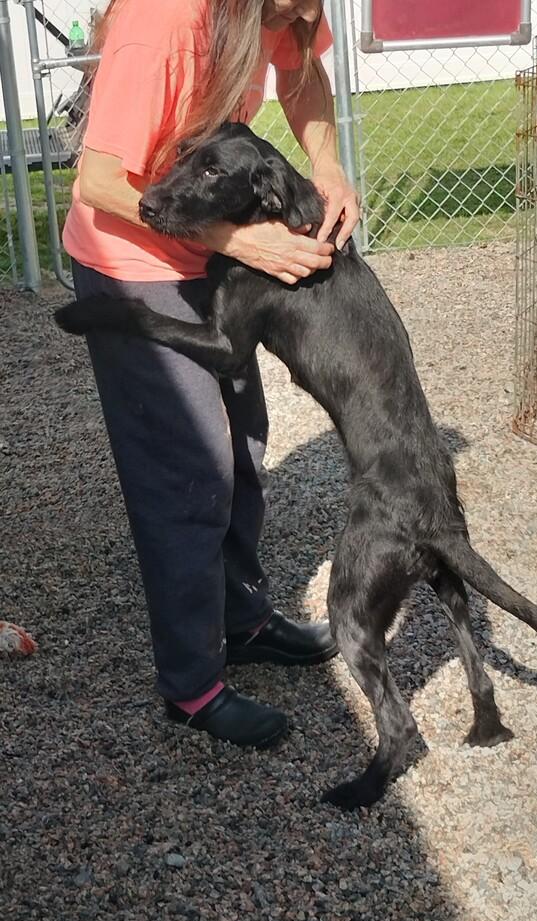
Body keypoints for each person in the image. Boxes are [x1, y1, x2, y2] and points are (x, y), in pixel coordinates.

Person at [62, 0, 361, 749]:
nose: (312, 12)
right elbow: (97, 180)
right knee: (187, 471)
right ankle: (191, 686)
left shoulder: (281, 9)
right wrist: (245, 242)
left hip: (208, 257)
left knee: (242, 449)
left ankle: (243, 620)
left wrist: (328, 168)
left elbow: (304, 76)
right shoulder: (165, 19)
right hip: (132, 260)